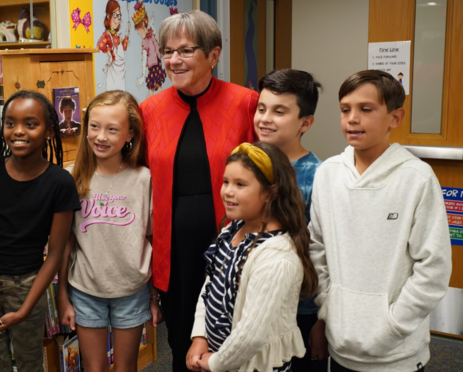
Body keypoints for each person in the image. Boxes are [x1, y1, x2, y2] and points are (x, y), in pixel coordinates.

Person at [309, 70, 452, 371]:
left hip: (397, 353)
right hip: (341, 343)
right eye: (345, 109)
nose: (352, 118)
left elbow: (434, 267)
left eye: (366, 109)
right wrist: (328, 308)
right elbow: (317, 247)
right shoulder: (328, 173)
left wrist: (393, 326)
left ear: (395, 118)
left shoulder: (416, 178)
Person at [140, 10, 257, 371]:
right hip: (173, 250)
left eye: (187, 50)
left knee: (231, 338)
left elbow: (264, 177)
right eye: (168, 51)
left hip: (231, 242)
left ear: (214, 55)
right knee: (181, 343)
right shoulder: (149, 110)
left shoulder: (246, 103)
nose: (174, 60)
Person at [0, 91, 81, 372]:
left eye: (30, 124)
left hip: (28, 287)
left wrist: (24, 311)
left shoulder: (59, 183)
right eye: (10, 123)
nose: (18, 131)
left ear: (50, 131)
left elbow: (56, 253)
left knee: (29, 363)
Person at [187, 142, 318, 372]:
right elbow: (209, 287)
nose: (227, 191)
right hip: (221, 357)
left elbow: (251, 335)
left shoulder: (278, 258)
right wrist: (200, 336)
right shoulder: (233, 229)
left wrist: (215, 363)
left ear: (270, 193)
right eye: (226, 181)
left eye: (240, 184)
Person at [57, 90, 161, 372]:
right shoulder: (71, 178)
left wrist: (153, 295)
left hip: (131, 290)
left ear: (130, 134)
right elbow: (65, 243)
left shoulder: (144, 179)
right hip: (85, 291)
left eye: (112, 129)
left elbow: (151, 239)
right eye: (94, 126)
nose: (101, 136)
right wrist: (62, 296)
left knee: (126, 367)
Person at [255, 69, 327, 371]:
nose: (265, 118)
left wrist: (321, 320)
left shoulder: (318, 177)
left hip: (299, 311)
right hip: (253, 304)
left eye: (279, 111)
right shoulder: (247, 163)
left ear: (305, 122)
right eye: (261, 108)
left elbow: (324, 254)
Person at [132, 1, 166, 97]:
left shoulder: (151, 33)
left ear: (143, 26)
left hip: (158, 63)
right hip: (152, 67)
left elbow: (158, 43)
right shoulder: (144, 42)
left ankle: (159, 107)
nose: (138, 33)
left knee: (159, 87)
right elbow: (144, 58)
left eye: (138, 30)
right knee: (151, 89)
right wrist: (143, 75)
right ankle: (147, 108)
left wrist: (153, 25)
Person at [97, 0, 130, 91]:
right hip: (113, 72)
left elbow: (124, 47)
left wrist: (127, 33)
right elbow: (100, 45)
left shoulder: (117, 35)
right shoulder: (107, 34)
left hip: (121, 71)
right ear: (108, 15)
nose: (117, 19)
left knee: (121, 94)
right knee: (113, 95)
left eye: (119, 16)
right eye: (115, 15)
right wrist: (109, 53)